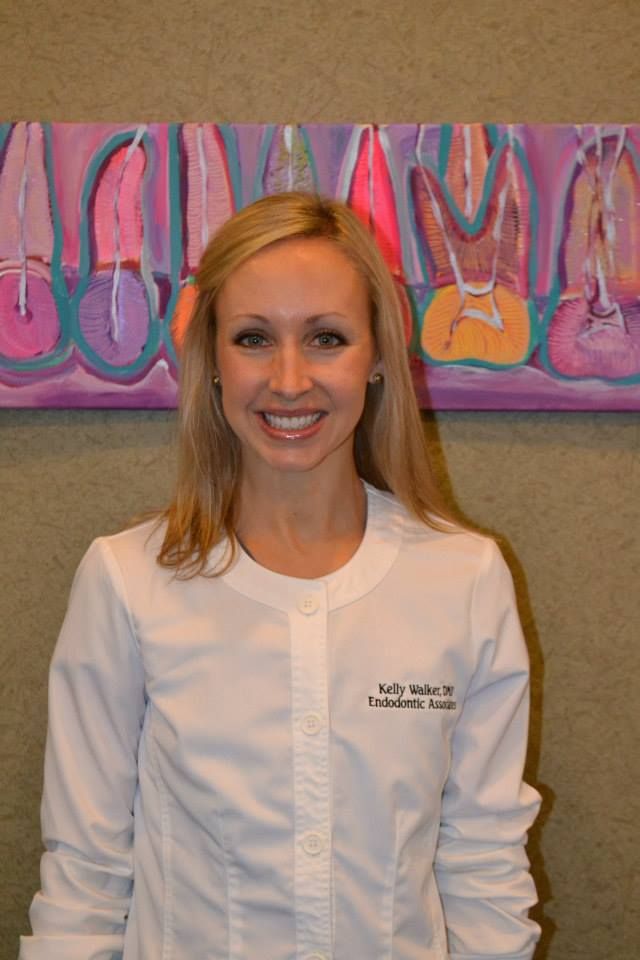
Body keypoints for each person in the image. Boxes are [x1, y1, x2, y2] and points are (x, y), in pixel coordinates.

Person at [20, 192, 541, 959]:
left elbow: (484, 865)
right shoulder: (127, 582)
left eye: (327, 338)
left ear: (377, 357)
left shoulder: (464, 579)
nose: (289, 379)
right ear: (214, 360)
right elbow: (85, 879)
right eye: (254, 338)